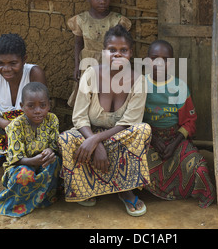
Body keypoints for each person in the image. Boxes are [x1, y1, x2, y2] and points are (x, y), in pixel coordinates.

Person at [58, 25, 151, 217]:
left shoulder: (139, 80)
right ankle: (87, 187)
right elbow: (80, 117)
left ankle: (125, 190)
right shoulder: (91, 74)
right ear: (104, 52)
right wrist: (93, 140)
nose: (118, 55)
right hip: (89, 132)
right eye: (112, 50)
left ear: (130, 53)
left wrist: (96, 141)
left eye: (123, 50)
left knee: (143, 130)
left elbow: (129, 123)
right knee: (65, 139)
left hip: (120, 137)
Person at [142, 40, 215, 208]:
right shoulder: (139, 85)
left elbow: (190, 122)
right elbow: (133, 119)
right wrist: (153, 139)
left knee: (199, 167)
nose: (159, 63)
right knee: (135, 161)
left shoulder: (179, 87)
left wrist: (175, 144)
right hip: (148, 139)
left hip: (176, 138)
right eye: (154, 58)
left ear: (172, 63)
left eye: (165, 59)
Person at [0, 33, 47, 168]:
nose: (6, 69)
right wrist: (6, 125)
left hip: (30, 125)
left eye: (13, 63)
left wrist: (20, 127)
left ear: (24, 59)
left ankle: (21, 156)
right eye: (1, 63)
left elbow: (42, 109)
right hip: (5, 127)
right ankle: (4, 153)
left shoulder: (34, 73)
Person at [0, 82, 61, 217]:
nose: (38, 110)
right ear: (22, 106)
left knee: (55, 162)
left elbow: (54, 144)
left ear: (49, 105)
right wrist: (33, 161)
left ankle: (44, 198)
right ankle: (24, 202)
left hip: (42, 164)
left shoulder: (52, 119)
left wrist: (51, 152)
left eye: (43, 105)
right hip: (21, 166)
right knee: (24, 174)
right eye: (31, 106)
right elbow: (14, 159)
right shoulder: (16, 125)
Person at [67, 0, 132, 106]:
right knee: (87, 95)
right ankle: (85, 122)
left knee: (108, 92)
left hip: (110, 63)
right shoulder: (81, 20)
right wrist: (76, 66)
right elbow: (78, 43)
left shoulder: (116, 21)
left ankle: (105, 122)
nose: (102, 1)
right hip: (87, 64)